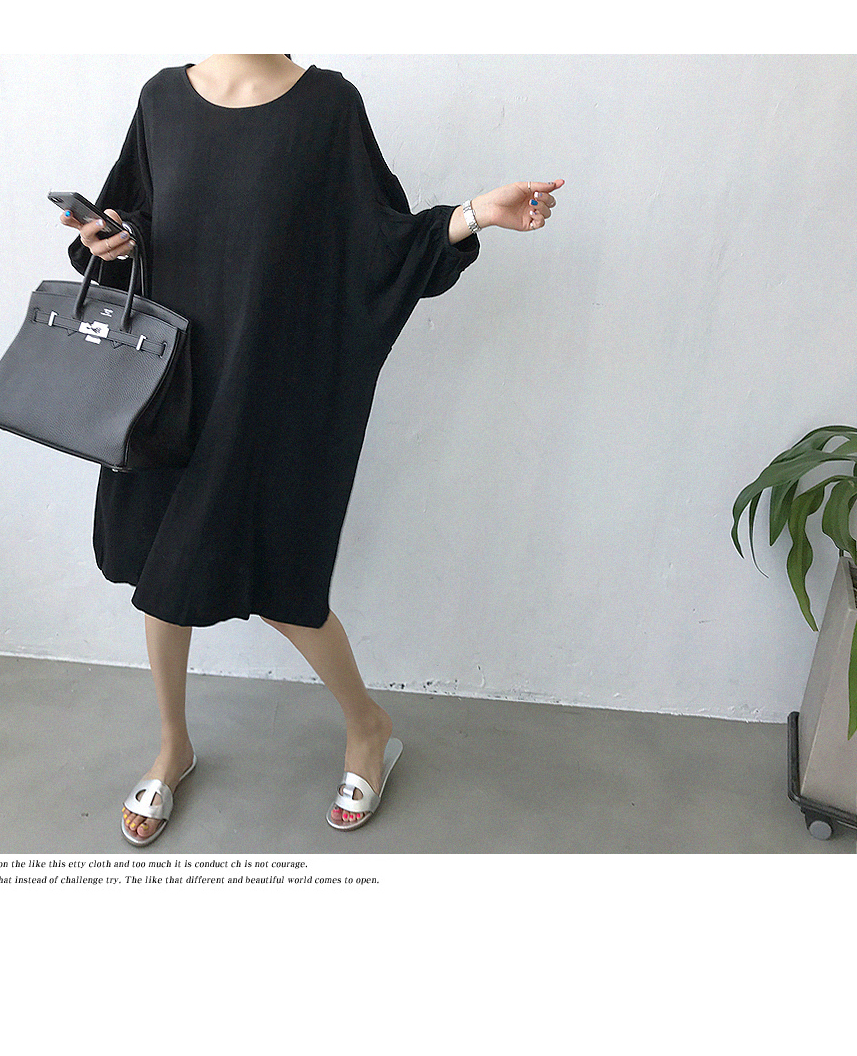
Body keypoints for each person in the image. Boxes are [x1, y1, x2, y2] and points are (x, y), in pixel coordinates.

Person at [60, 54, 563, 842]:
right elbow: (137, 227)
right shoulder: (161, 99)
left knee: (281, 580)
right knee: (162, 566)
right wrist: (113, 240)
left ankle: (368, 726)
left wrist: (475, 214)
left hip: (268, 393)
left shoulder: (327, 106)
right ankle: (172, 745)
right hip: (169, 385)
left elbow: (378, 243)